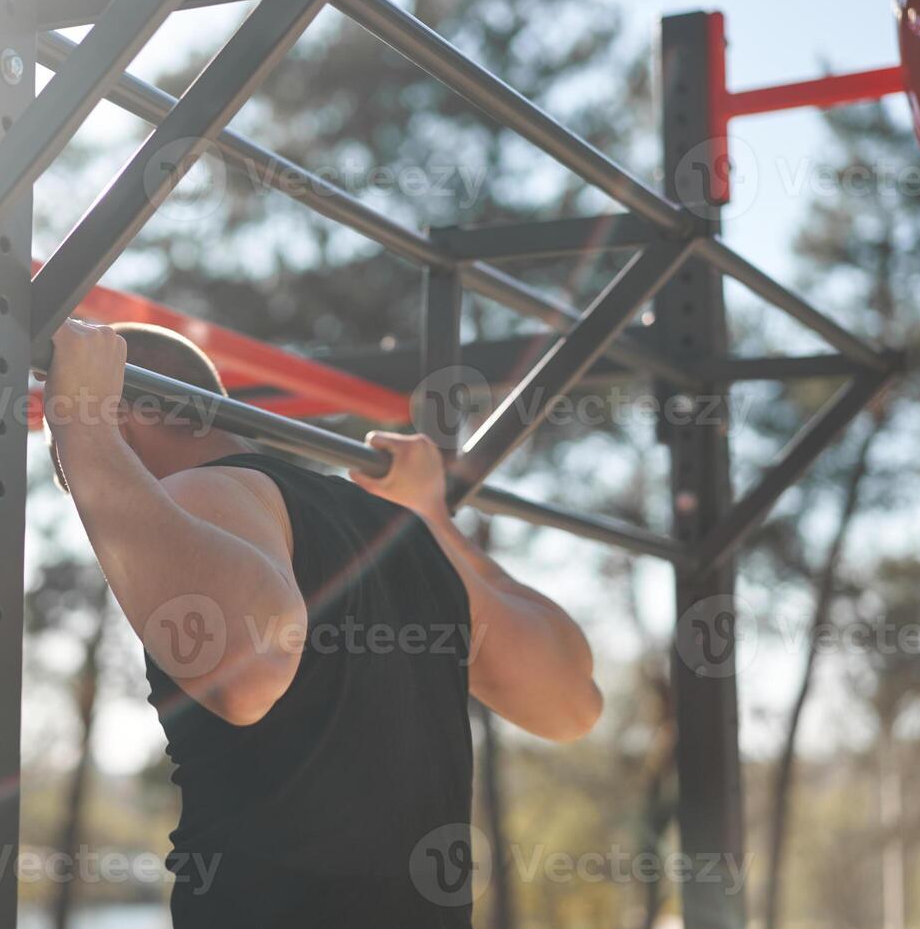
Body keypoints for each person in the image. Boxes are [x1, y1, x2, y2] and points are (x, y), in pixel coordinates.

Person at [43, 318, 602, 927]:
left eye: (61, 462)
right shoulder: (405, 536)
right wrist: (434, 518)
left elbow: (245, 673)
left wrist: (84, 431)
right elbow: (572, 703)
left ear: (126, 419)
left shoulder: (203, 494)